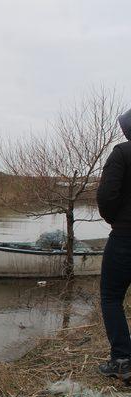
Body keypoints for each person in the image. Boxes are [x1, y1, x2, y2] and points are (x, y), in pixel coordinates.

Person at [97, 107, 131, 381]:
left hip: (125, 237)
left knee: (111, 297)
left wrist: (114, 219)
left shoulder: (122, 153)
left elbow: (107, 195)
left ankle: (121, 360)